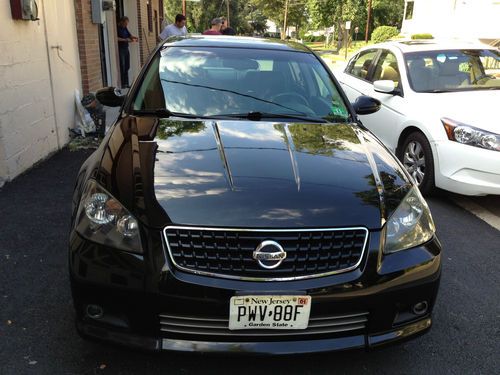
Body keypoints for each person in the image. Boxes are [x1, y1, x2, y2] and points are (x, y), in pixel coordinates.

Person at [117, 16, 138, 88]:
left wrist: (134, 37)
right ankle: (122, 84)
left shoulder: (125, 28)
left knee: (127, 66)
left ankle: (126, 83)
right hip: (121, 49)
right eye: (125, 24)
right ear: (121, 22)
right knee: (122, 66)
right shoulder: (117, 28)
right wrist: (125, 40)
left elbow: (129, 35)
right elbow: (115, 38)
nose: (126, 25)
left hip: (126, 49)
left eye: (127, 24)